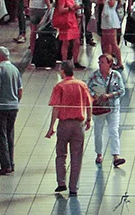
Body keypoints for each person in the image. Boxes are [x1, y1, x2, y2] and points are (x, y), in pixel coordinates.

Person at [46, 59, 93, 197]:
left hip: (64, 124)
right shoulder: (81, 85)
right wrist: (89, 119)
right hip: (78, 125)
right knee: (76, 156)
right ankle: (74, 188)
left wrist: (51, 127)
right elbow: (89, 104)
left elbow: (56, 108)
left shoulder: (60, 87)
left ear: (62, 71)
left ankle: (61, 182)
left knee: (61, 154)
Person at [0, 46, 23, 176]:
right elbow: (20, 90)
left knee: (1, 137)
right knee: (10, 134)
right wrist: (16, 102)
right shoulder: (15, 69)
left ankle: (5, 166)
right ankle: (11, 164)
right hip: (13, 107)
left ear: (0, 57)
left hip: (1, 107)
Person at [86, 53, 126, 168]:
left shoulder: (116, 76)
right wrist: (95, 96)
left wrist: (109, 95)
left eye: (102, 62)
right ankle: (99, 154)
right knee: (98, 131)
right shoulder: (94, 76)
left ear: (109, 64)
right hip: (99, 108)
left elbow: (122, 90)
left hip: (113, 108)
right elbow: (87, 88)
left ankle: (116, 156)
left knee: (113, 130)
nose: (100, 65)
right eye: (99, 62)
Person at [52, 0, 82, 65]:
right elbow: (61, 10)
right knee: (66, 42)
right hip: (65, 21)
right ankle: (64, 61)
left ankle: (75, 60)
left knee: (77, 41)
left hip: (72, 20)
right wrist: (71, 8)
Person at [98, 0, 125, 68]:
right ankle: (108, 61)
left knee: (113, 43)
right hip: (105, 21)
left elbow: (111, 4)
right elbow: (103, 3)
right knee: (106, 42)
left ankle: (120, 62)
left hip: (111, 21)